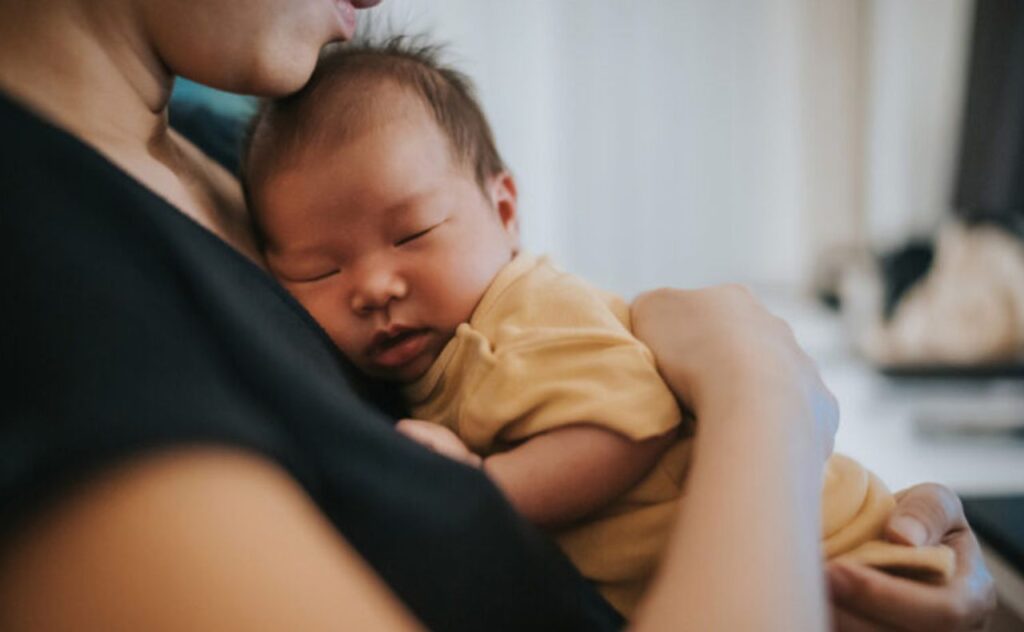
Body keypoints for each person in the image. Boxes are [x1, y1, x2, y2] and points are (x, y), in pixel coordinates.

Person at [0, 0, 995, 629]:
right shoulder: (41, 255)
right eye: (320, 267)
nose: (372, 283)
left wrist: (871, 540)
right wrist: (764, 398)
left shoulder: (233, 149)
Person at [242, 39, 959, 618]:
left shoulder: (521, 315)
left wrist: (483, 490)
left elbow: (630, 421)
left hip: (835, 551)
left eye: (412, 233)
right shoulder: (432, 357)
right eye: (317, 271)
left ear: (504, 209)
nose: (372, 286)